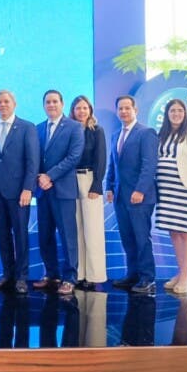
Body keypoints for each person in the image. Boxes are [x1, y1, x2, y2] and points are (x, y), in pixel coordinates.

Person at [0, 90, 39, 295]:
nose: (2, 105)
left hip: (19, 193)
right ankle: (8, 274)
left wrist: (28, 188)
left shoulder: (27, 127)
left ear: (14, 104)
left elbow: (32, 161)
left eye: (6, 101)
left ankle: (22, 277)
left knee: (21, 235)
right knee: (2, 234)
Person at [105, 95, 159, 295]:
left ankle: (147, 278)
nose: (124, 111)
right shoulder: (116, 135)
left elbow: (149, 165)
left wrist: (140, 190)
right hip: (120, 196)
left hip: (140, 197)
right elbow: (113, 164)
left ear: (136, 110)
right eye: (120, 108)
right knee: (128, 238)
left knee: (141, 238)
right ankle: (133, 274)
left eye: (127, 108)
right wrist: (109, 186)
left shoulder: (146, 133)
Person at [34, 90, 85, 295]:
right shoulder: (38, 128)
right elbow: (34, 158)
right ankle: (51, 274)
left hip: (63, 190)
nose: (51, 105)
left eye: (55, 101)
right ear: (44, 105)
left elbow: (74, 157)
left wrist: (50, 176)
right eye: (48, 102)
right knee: (45, 236)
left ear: (62, 104)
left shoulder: (74, 127)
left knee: (67, 236)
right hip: (42, 191)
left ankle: (70, 277)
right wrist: (39, 177)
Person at [154, 98, 187, 295]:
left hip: (185, 190)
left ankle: (186, 277)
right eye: (172, 111)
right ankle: (181, 272)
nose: (176, 114)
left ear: (185, 114)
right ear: (167, 114)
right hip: (166, 191)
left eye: (180, 111)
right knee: (174, 232)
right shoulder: (162, 134)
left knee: (186, 232)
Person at [69, 95, 107, 291]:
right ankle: (79, 273)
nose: (82, 111)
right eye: (78, 108)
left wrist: (97, 185)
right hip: (70, 181)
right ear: (73, 111)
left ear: (90, 110)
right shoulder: (69, 130)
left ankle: (94, 275)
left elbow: (101, 159)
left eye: (85, 108)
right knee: (76, 229)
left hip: (90, 179)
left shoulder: (96, 131)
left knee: (93, 230)